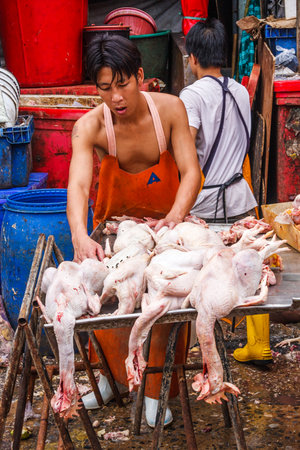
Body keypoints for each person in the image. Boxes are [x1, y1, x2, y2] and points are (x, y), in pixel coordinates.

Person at [67, 34, 201, 426]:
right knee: (111, 302)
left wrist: (174, 217)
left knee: (162, 307)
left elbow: (191, 172)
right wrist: (79, 235)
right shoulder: (89, 127)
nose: (116, 98)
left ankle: (157, 393)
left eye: (123, 84)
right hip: (116, 231)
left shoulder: (172, 110)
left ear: (141, 76)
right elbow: (76, 186)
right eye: (105, 88)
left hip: (168, 230)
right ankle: (111, 381)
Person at [179, 18, 272, 365]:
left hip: (207, 203)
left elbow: (186, 150)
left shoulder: (190, 95)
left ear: (192, 58)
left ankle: (193, 343)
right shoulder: (239, 91)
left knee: (198, 271)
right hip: (242, 196)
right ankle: (259, 343)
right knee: (252, 265)